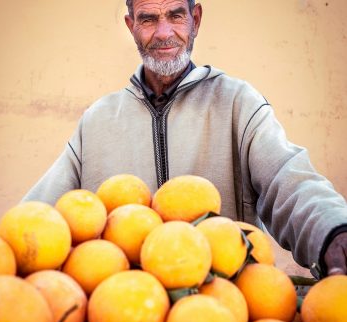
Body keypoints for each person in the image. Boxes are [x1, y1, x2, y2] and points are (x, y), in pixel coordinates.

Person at [22, 0, 347, 278]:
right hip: (126, 315)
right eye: (148, 19)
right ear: (131, 25)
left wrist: (333, 231)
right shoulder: (98, 121)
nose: (163, 34)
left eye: (176, 15)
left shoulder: (237, 102)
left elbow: (287, 179)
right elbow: (40, 214)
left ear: (196, 19)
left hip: (226, 311)